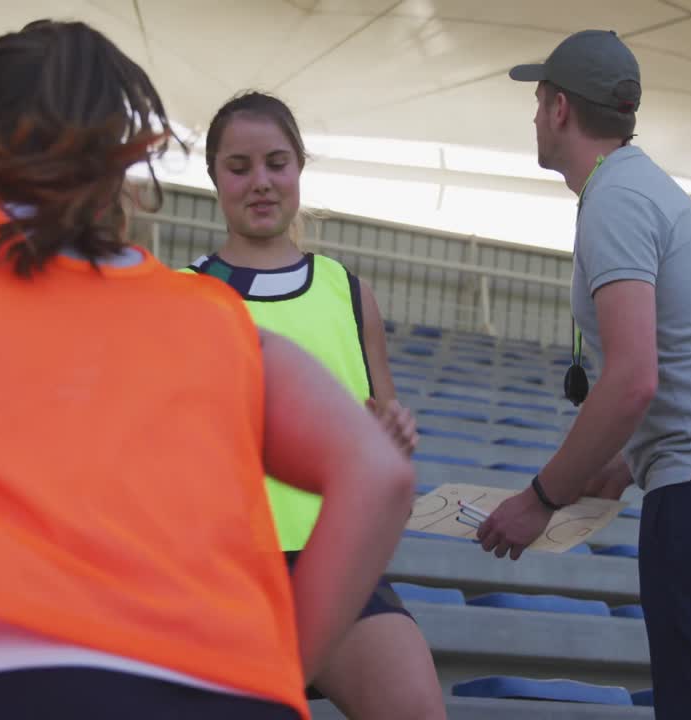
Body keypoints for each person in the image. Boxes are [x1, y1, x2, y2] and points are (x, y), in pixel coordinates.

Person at [0, 20, 414, 720]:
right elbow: (380, 473)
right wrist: (278, 668)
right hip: (226, 685)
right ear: (119, 162)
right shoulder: (212, 314)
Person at [481, 29, 691, 720]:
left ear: (561, 109)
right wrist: (627, 461)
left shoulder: (616, 199)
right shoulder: (651, 190)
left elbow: (634, 379)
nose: (536, 115)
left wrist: (542, 497)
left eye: (539, 99)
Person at [188, 91, 445, 720]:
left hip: (339, 566)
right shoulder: (183, 297)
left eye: (277, 162)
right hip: (224, 569)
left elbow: (384, 436)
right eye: (239, 167)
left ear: (300, 166)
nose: (261, 183)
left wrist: (393, 435)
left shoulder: (348, 293)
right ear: (214, 176)